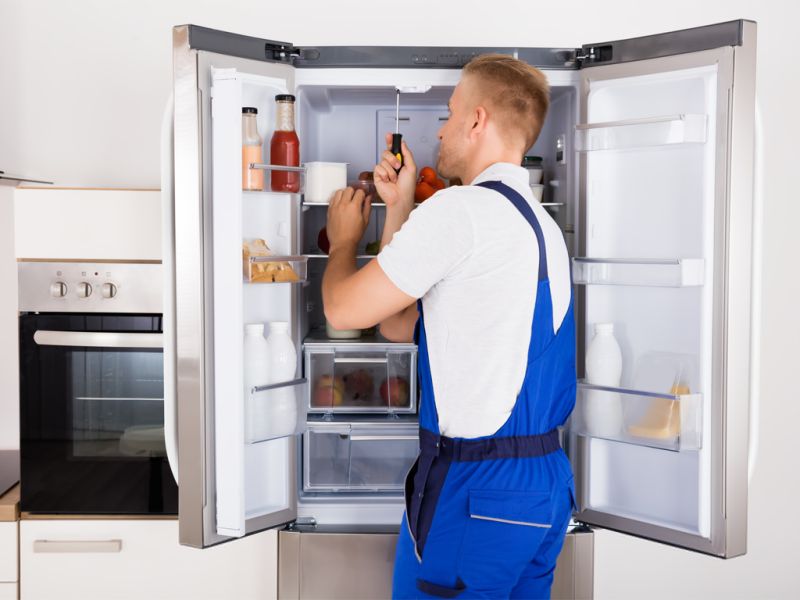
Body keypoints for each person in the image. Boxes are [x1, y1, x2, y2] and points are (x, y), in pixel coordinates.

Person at [322, 54, 576, 599]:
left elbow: (343, 311)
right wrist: (397, 208)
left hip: (478, 490)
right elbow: (398, 324)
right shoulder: (540, 227)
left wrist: (343, 241)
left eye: (449, 113)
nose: (440, 130)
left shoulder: (461, 211)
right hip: (545, 488)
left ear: (477, 120)